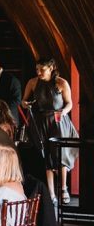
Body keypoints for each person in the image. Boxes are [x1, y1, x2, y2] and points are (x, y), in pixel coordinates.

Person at [22, 56, 79, 204]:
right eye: (37, 69)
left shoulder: (61, 83)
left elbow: (69, 104)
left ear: (51, 68)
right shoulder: (33, 82)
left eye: (42, 69)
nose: (39, 72)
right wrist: (26, 104)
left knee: (61, 155)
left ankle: (64, 189)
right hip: (41, 122)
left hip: (58, 121)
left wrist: (63, 112)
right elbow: (23, 101)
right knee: (46, 155)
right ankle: (52, 193)